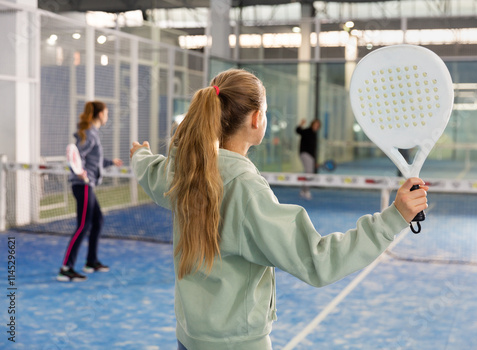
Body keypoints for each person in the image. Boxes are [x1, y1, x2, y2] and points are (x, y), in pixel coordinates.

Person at [129, 69, 428, 350]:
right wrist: (394, 218)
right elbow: (319, 261)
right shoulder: (246, 190)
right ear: (257, 119)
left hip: (189, 336)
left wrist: (139, 155)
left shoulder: (183, 169)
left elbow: (153, 172)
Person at [57, 101, 123, 282]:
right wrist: (79, 173)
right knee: (83, 226)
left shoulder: (92, 133)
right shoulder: (89, 134)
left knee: (98, 220)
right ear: (100, 114)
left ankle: (91, 261)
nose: (107, 116)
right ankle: (66, 268)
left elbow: (93, 160)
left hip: (88, 185)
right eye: (106, 113)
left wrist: (111, 162)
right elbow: (76, 156)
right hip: (83, 185)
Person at [295, 118, 321, 199]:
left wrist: (315, 161)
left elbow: (314, 149)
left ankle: (303, 191)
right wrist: (301, 124)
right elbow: (298, 131)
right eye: (315, 124)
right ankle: (306, 191)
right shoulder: (307, 131)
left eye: (318, 125)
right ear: (312, 124)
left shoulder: (314, 134)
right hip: (305, 154)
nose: (316, 126)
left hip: (311, 156)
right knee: (309, 173)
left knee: (308, 173)